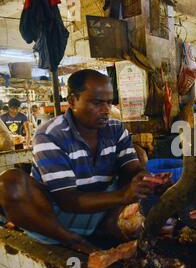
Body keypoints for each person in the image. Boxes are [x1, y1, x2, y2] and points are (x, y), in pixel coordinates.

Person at [0, 69, 169, 254]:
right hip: (56, 216)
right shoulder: (50, 134)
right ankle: (72, 240)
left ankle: (104, 229)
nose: (106, 110)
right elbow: (67, 200)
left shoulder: (115, 129)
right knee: (8, 182)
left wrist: (147, 180)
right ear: (72, 101)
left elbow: (133, 168)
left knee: (139, 154)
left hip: (101, 207)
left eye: (109, 102)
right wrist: (123, 195)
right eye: (97, 102)